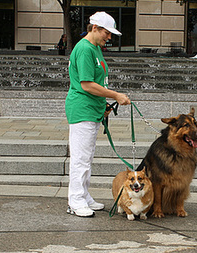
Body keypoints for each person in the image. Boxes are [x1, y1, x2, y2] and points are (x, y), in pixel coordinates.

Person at [65, 11, 131, 217]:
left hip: (91, 109)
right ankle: (75, 200)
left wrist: (103, 105)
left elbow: (96, 83)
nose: (109, 37)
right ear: (94, 28)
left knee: (86, 157)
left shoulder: (94, 48)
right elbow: (86, 84)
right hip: (82, 109)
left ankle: (83, 196)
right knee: (81, 159)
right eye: (106, 32)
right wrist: (116, 95)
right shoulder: (84, 49)